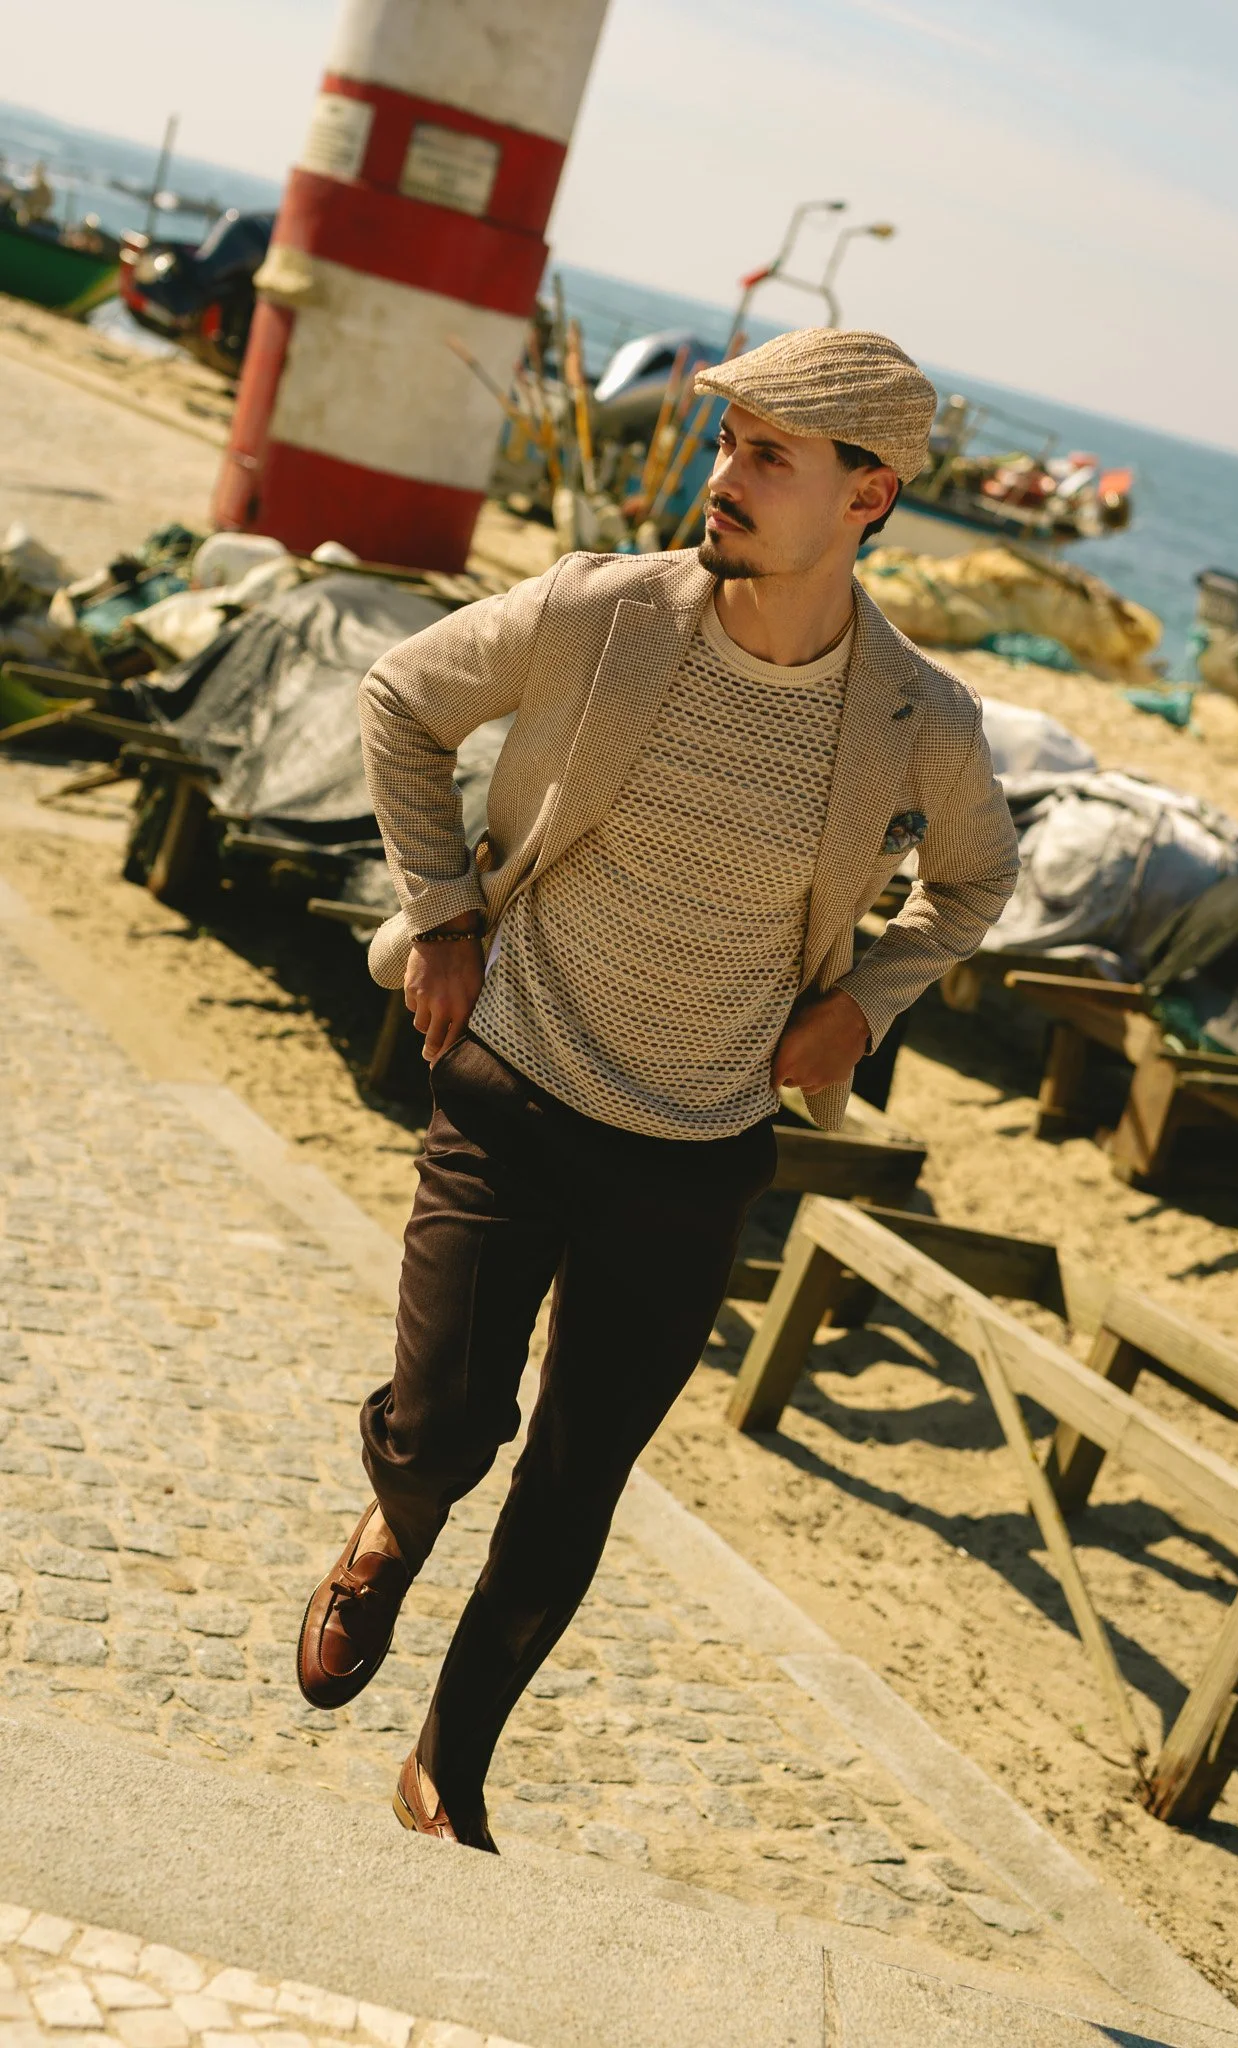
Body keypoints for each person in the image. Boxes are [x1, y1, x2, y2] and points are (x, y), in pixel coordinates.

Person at [296, 327, 1019, 1848]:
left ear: (868, 496)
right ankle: (391, 1531)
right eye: (726, 443)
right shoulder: (603, 611)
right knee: (447, 1424)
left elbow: (971, 886)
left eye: (768, 455)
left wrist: (863, 1009)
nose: (723, 476)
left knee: (577, 1477)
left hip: (696, 1152)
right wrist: (442, 915)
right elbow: (402, 698)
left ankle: (449, 1764)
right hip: (515, 1081)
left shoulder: (917, 717)